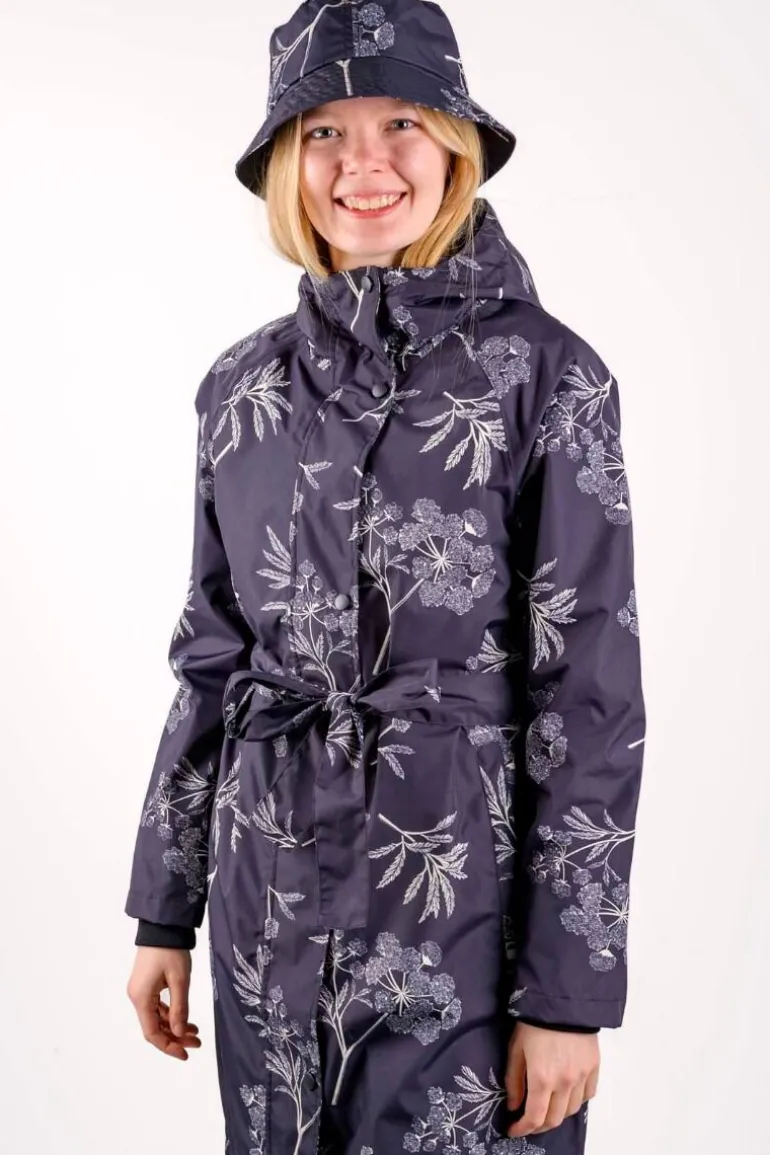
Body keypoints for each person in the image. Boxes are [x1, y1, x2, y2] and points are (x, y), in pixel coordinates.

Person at [124, 2, 646, 1152]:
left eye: (400, 123)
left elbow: (589, 700)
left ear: (453, 147)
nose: (362, 164)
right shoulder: (241, 390)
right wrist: (163, 911)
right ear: (285, 164)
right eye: (323, 132)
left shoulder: (546, 378)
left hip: (463, 928)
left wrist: (568, 998)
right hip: (266, 917)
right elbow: (209, 659)